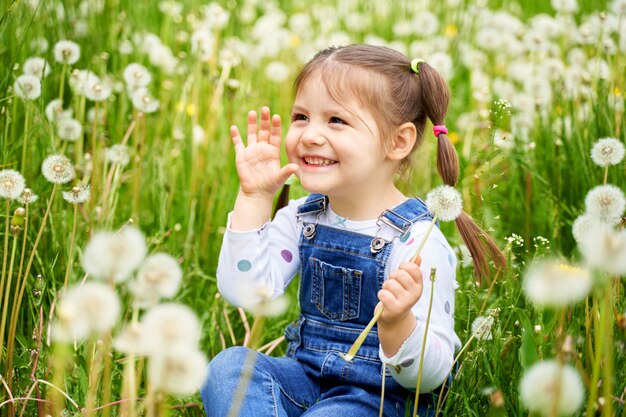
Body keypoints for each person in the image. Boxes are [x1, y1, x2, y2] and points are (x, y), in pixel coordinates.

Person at [201, 44, 505, 417]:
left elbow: (432, 376)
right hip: (306, 378)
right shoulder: (303, 217)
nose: (310, 135)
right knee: (229, 368)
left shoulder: (416, 240)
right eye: (301, 116)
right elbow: (243, 292)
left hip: (380, 398)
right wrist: (255, 198)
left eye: (336, 121)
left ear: (398, 142)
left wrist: (398, 323)